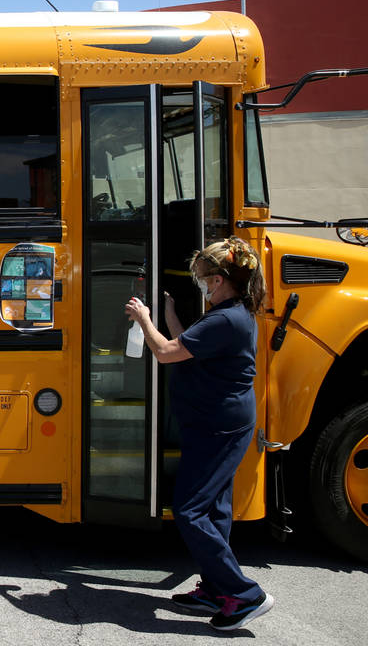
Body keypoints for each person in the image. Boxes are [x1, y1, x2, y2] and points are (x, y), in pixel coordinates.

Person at [124, 237, 272, 631]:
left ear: (221, 280)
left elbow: (167, 353)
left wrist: (143, 319)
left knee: (190, 511)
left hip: (217, 427)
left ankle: (242, 593)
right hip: (218, 423)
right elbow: (185, 344)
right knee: (215, 508)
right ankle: (214, 588)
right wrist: (170, 314)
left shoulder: (224, 318)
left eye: (204, 277)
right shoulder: (230, 313)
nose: (201, 283)